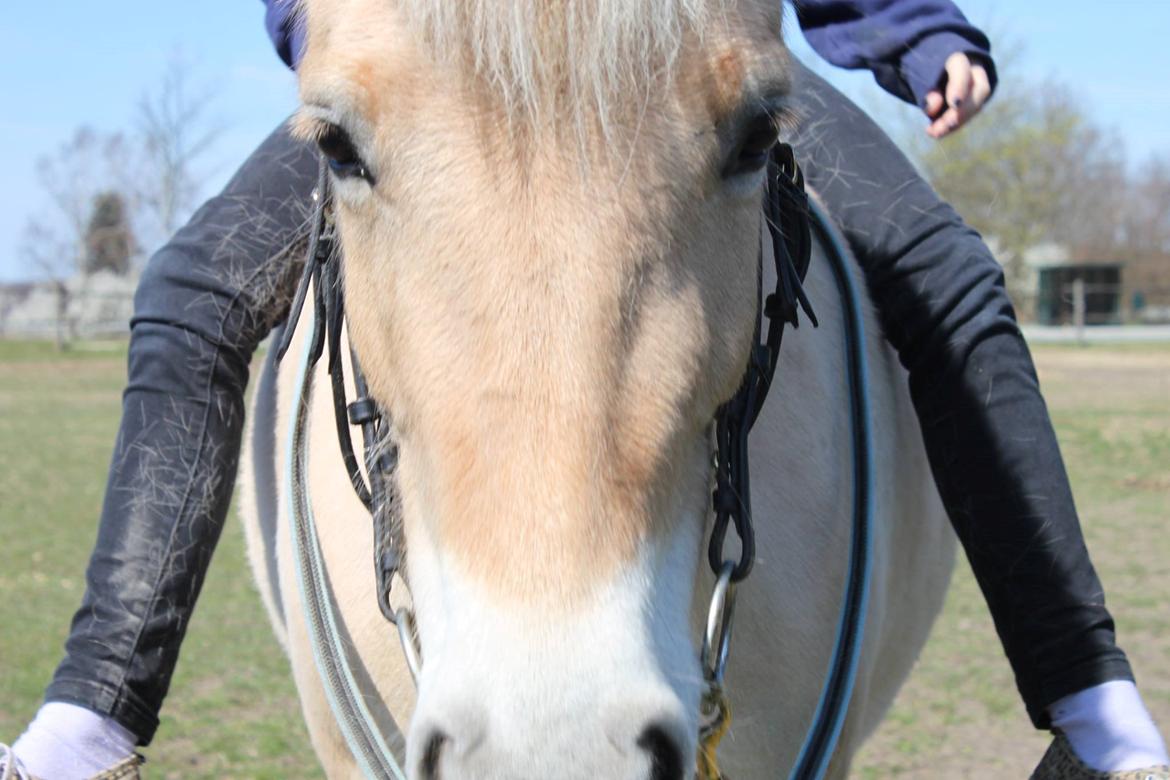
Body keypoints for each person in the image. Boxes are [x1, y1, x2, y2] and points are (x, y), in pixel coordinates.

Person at [4, 1, 1168, 778]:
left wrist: (913, 33)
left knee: (947, 275)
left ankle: (1087, 699)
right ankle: (100, 702)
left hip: (665, 45)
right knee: (193, 293)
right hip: (447, 53)